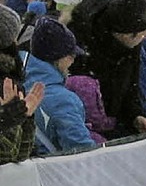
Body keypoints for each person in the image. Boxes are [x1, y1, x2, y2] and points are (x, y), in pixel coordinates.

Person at [68, 0, 146, 137]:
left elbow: (130, 90)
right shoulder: (82, 44)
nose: (145, 39)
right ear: (127, 34)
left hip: (113, 130)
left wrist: (136, 117)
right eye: (142, 35)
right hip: (82, 132)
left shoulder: (132, 48)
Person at [24, 17, 97, 153]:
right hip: (49, 172)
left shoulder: (13, 83)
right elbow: (83, 153)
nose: (73, 61)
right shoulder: (63, 100)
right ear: (58, 57)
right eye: (71, 56)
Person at [0, 4, 43, 164]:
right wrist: (9, 119)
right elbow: (6, 158)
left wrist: (24, 117)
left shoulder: (9, 79)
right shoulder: (6, 81)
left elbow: (20, 157)